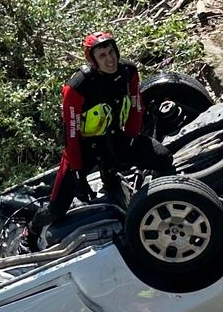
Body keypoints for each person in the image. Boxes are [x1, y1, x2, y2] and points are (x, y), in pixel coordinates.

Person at [21, 32, 172, 250]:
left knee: (163, 158)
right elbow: (71, 134)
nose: (110, 60)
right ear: (93, 61)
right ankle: (31, 231)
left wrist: (132, 138)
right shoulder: (77, 87)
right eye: (102, 56)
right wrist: (78, 174)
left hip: (115, 138)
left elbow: (137, 107)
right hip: (83, 149)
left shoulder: (128, 71)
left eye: (112, 52)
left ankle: (155, 194)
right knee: (56, 210)